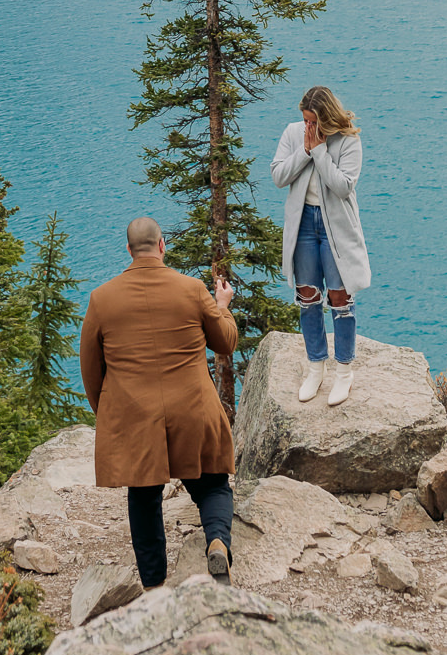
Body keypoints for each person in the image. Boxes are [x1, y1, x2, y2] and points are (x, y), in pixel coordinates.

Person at [79, 216, 239, 592]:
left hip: (137, 416)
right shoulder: (191, 289)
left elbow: (90, 368)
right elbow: (226, 341)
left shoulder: (102, 299)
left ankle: (154, 587)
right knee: (213, 484)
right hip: (193, 408)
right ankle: (217, 542)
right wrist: (222, 305)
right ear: (163, 246)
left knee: (144, 493)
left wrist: (109, 415)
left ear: (129, 251)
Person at [271, 84, 370, 407]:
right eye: (306, 121)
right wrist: (303, 150)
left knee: (339, 296)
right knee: (307, 295)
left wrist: (319, 152)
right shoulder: (293, 133)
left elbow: (343, 187)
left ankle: (343, 370)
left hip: (335, 230)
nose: (308, 128)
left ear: (327, 118)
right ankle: (316, 366)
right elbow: (278, 176)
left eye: (314, 122)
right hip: (303, 226)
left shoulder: (348, 141)